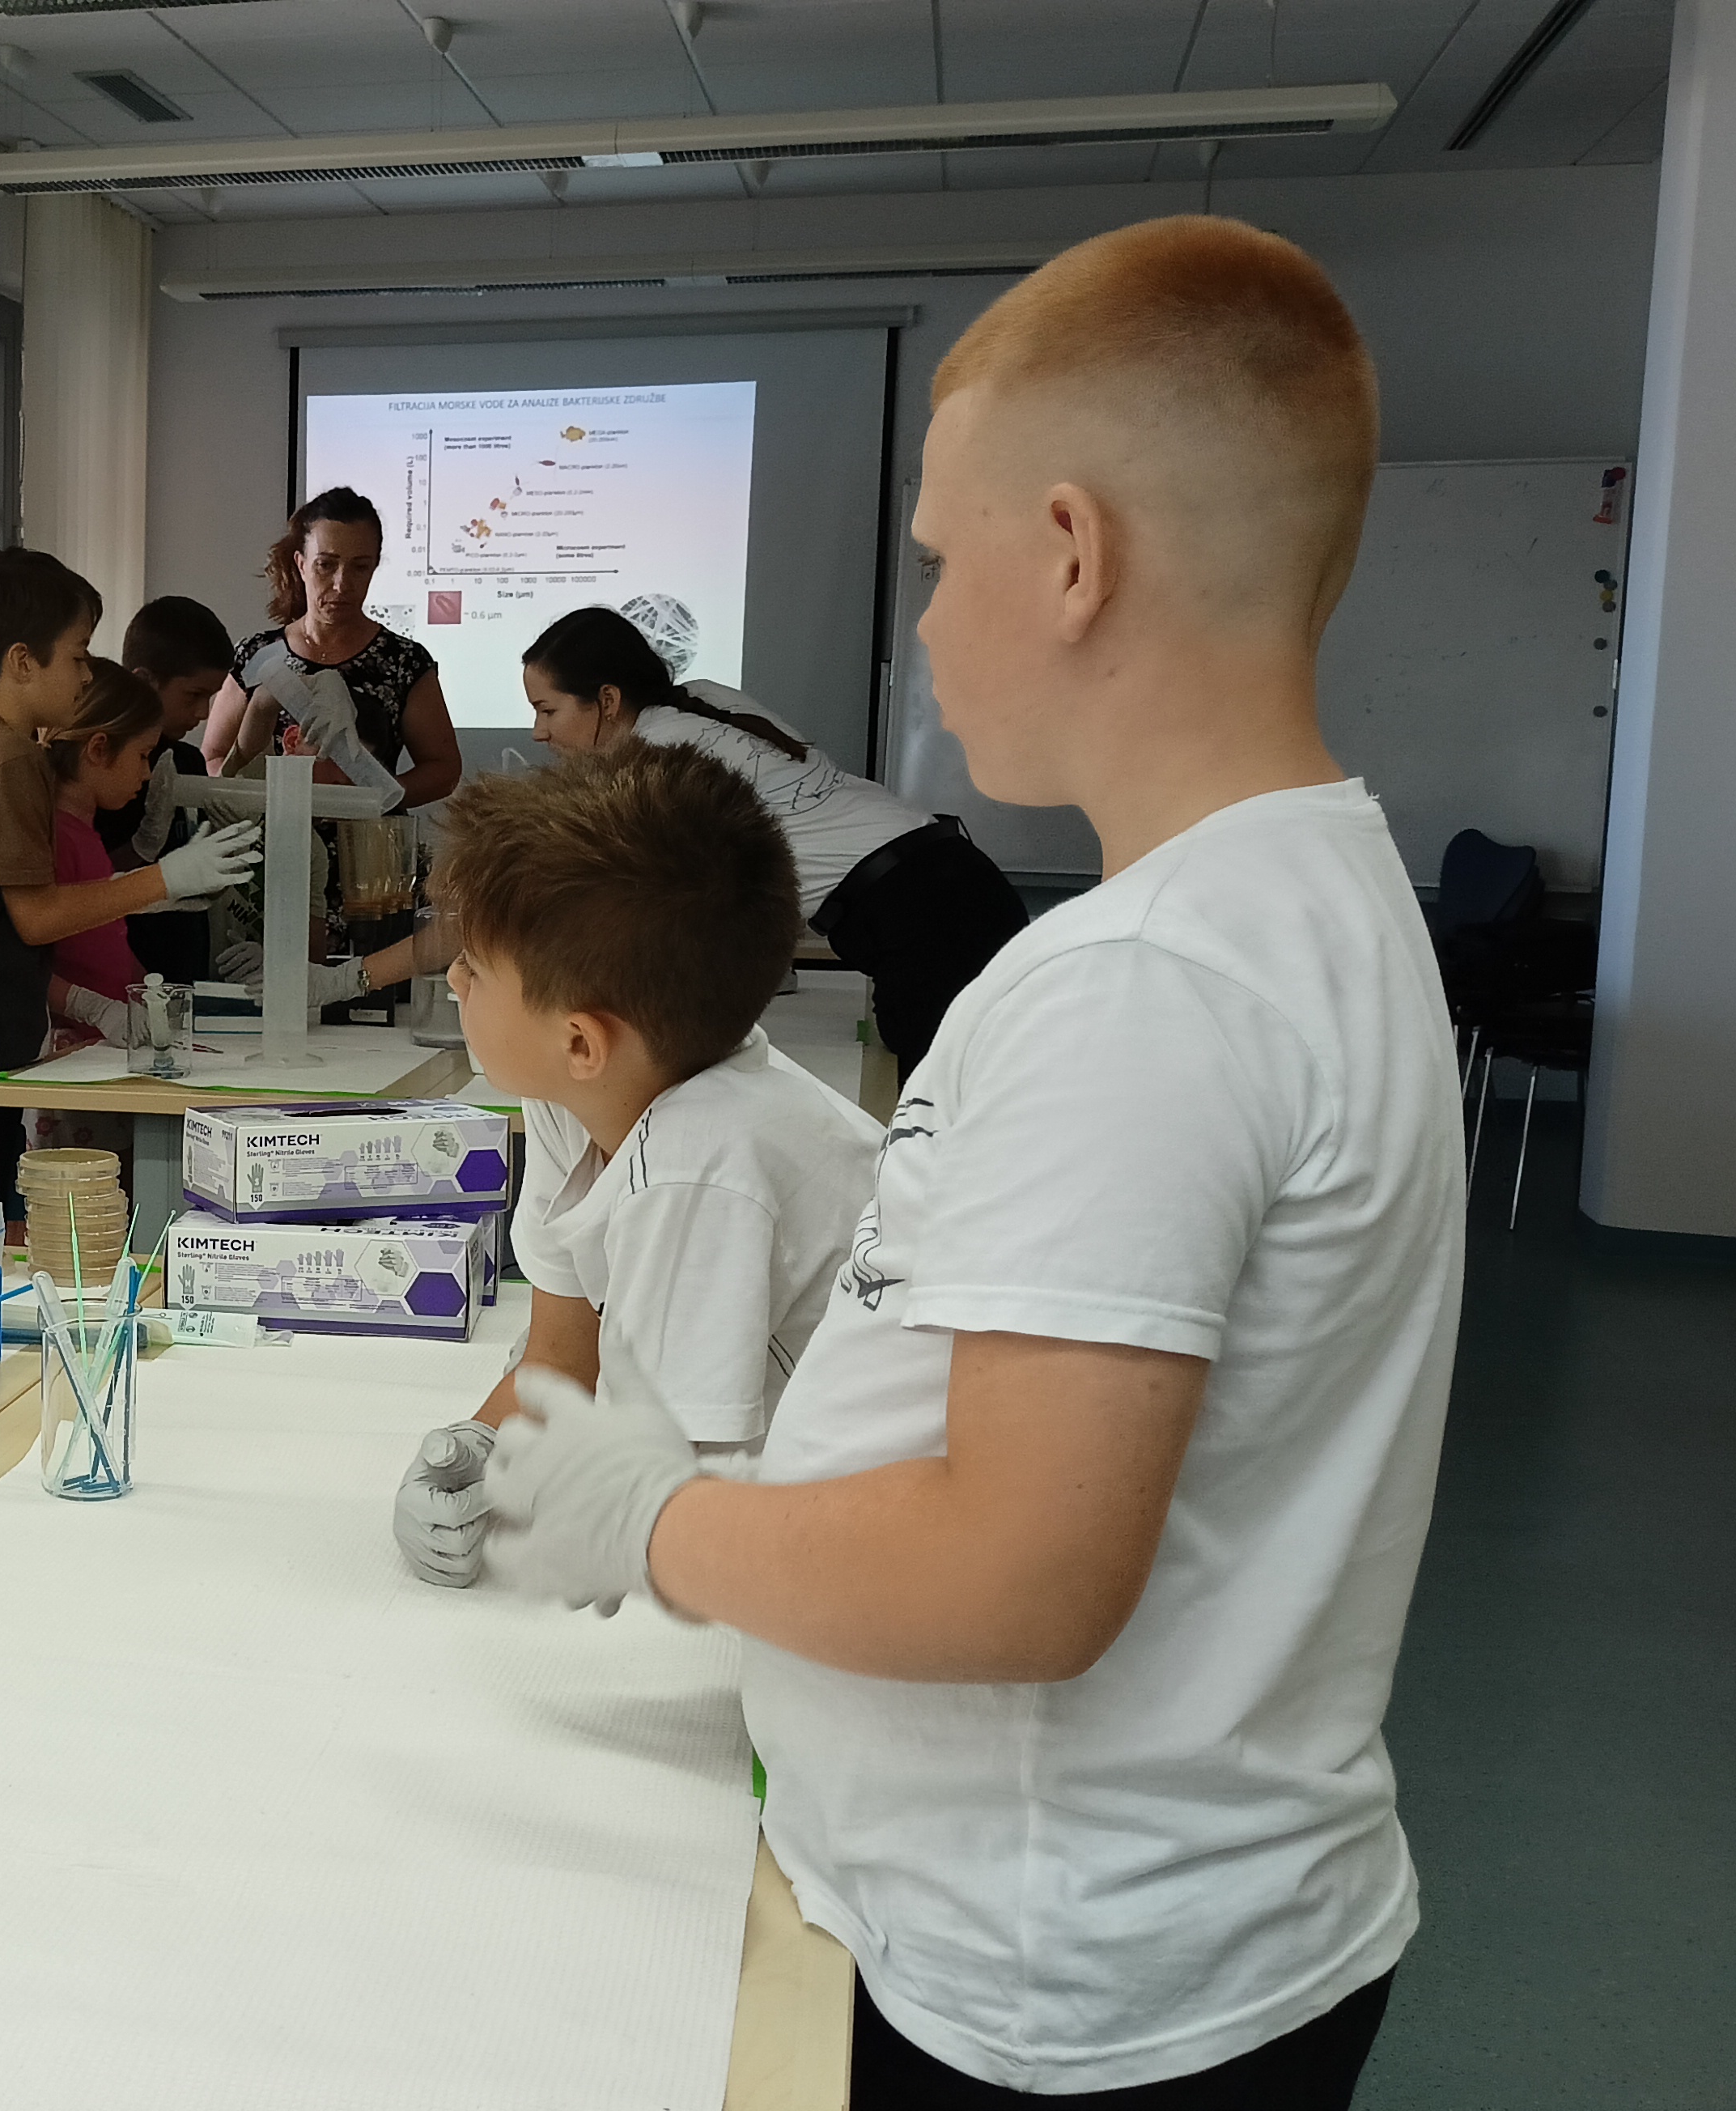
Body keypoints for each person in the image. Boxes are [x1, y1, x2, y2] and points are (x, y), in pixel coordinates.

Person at [479, 217, 1458, 2105]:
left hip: (1061, 1977)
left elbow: (1018, 1572)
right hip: (1159, 1918)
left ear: (1071, 553)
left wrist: (652, 1515)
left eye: (939, 559)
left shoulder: (1146, 981)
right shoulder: (1302, 893)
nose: (922, 623)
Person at [386, 745, 880, 1589]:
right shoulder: (577, 1098)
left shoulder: (701, 1160)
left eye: (476, 967)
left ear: (580, 1041)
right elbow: (561, 1359)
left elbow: (683, 1494)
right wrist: (480, 1451)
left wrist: (551, 1508)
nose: (455, 979)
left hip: (839, 1543)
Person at [0, 550, 262, 1207]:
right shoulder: (6, 759)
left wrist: (152, 894)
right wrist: (163, 880)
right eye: (78, 655)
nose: (88, 672)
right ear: (22, 662)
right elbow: (36, 917)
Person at [523, 606, 1027, 1068]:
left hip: (927, 913)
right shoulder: (700, 699)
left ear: (608, 700)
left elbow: (666, 902)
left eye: (548, 711)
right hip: (951, 875)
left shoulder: (653, 761)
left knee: (939, 1097)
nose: (539, 733)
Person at [200, 486, 464, 812]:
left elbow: (443, 769)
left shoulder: (403, 661)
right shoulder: (257, 655)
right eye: (326, 565)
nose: (342, 584)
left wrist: (370, 800)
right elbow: (213, 756)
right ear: (301, 564)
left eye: (359, 567)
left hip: (367, 838)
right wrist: (256, 800)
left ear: (374, 567)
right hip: (269, 834)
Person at [41, 656, 176, 1053]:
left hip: (105, 1043)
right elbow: (21, 966)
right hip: (72, 1049)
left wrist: (153, 996)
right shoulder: (55, 838)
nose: (147, 773)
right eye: (142, 755)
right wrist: (94, 1009)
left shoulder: (85, 834)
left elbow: (107, 941)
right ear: (99, 749)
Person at [107, 596, 237, 987]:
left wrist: (221, 861)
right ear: (145, 682)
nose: (204, 713)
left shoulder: (188, 760)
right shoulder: (103, 764)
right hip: (127, 969)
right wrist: (142, 847)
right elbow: (86, 882)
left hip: (185, 966)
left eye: (211, 697)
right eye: (193, 695)